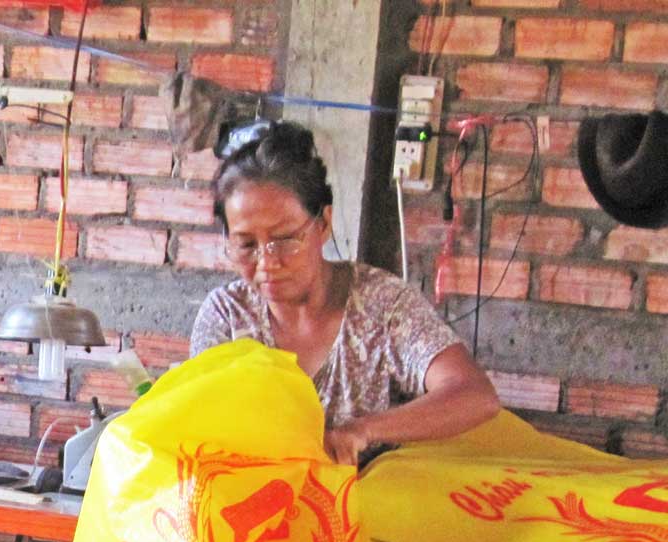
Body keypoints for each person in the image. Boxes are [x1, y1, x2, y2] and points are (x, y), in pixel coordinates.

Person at [189, 120, 500, 467]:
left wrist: (364, 430)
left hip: (372, 497)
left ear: (323, 223)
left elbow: (474, 395)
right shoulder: (227, 316)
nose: (267, 263)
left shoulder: (382, 306)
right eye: (246, 245)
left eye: (286, 239)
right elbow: (206, 424)